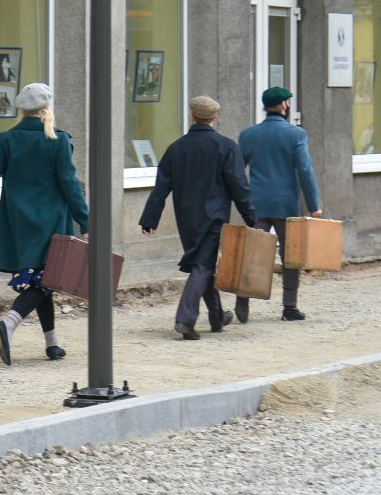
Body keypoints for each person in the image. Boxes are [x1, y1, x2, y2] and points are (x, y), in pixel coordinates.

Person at [0, 83, 89, 365]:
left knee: (43, 280)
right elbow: (70, 185)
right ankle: (9, 323)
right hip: (52, 223)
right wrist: (85, 221)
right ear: (47, 108)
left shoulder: (8, 139)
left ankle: (52, 343)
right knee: (45, 279)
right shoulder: (58, 140)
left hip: (20, 225)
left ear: (22, 110)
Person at [138, 95, 257, 340]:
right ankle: (185, 319)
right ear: (214, 117)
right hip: (214, 216)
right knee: (203, 266)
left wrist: (150, 218)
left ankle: (217, 317)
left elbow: (161, 186)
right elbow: (238, 185)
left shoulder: (176, 148)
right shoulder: (226, 146)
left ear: (192, 115)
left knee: (202, 265)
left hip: (186, 218)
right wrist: (250, 216)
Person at [235, 86, 322, 323]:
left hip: (256, 203)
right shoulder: (296, 134)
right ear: (284, 105)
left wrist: (240, 199)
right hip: (286, 205)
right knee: (290, 255)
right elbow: (305, 169)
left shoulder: (248, 134)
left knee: (253, 253)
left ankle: (243, 297)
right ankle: (289, 307)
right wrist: (313, 205)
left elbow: (237, 171)